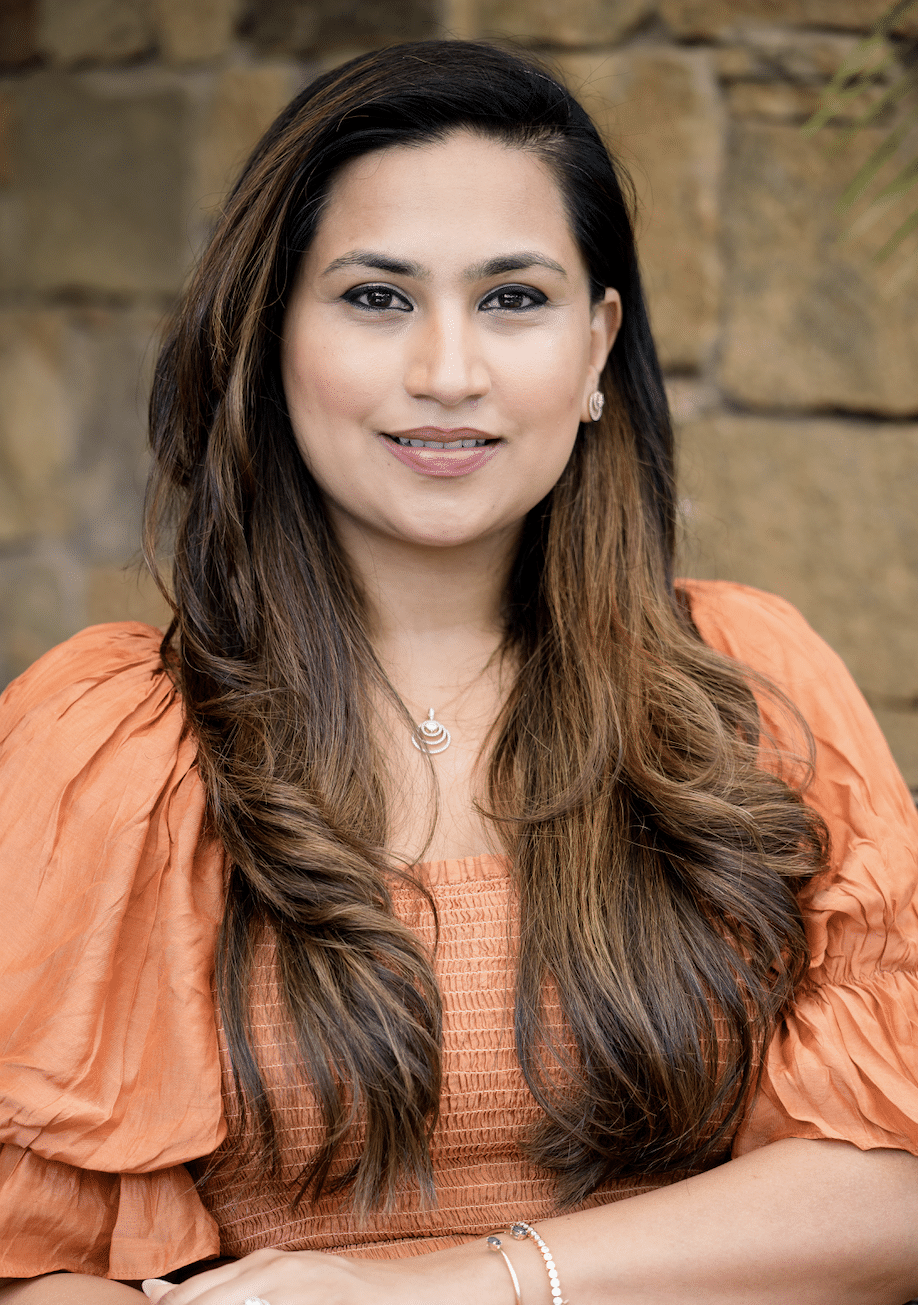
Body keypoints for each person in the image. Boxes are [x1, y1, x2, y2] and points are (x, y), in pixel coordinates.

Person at [0, 37, 917, 1305]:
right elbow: (29, 1255)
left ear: (598, 347)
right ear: (271, 338)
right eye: (377, 297)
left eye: (513, 299)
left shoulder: (750, 686)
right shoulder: (110, 742)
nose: (447, 372)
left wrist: (444, 1288)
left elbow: (892, 1186)